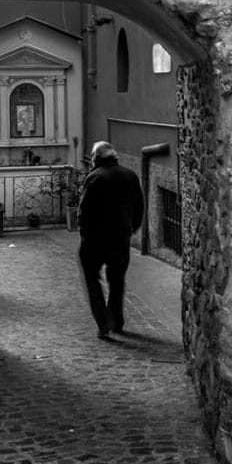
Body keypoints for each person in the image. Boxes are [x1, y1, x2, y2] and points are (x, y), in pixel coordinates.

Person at [77, 141, 145, 338]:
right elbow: (139, 206)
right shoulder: (130, 176)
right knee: (117, 281)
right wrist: (132, 229)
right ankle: (117, 320)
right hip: (120, 238)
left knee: (92, 278)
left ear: (96, 159)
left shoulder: (95, 178)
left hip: (95, 239)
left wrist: (85, 235)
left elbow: (84, 210)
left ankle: (104, 321)